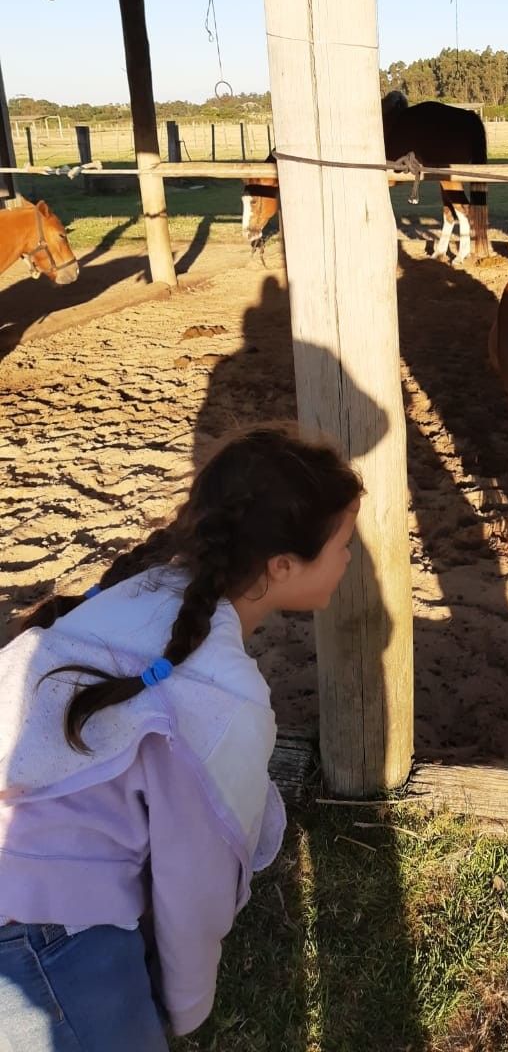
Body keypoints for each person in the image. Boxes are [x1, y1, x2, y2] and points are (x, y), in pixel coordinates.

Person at [0, 424, 362, 1051]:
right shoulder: (228, 698)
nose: (351, 559)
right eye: (343, 544)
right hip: (45, 934)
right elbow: (196, 886)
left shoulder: (135, 590)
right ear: (282, 566)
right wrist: (185, 1005)